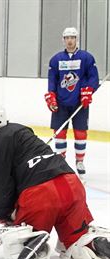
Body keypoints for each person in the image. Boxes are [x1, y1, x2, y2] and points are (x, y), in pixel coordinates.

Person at [0, 99, 110, 259]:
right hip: (71, 185)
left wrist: (2, 213)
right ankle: (91, 244)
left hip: (41, 195)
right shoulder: (23, 132)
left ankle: (29, 239)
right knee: (76, 239)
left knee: (17, 238)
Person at [45, 27, 99, 180]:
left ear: (76, 39)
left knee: (80, 133)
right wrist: (51, 95)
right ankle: (61, 162)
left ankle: (80, 162)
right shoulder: (56, 59)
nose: (70, 40)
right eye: (67, 38)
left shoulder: (86, 58)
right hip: (61, 103)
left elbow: (93, 77)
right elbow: (52, 80)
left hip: (79, 103)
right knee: (60, 133)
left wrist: (88, 90)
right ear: (63, 40)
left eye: (72, 37)